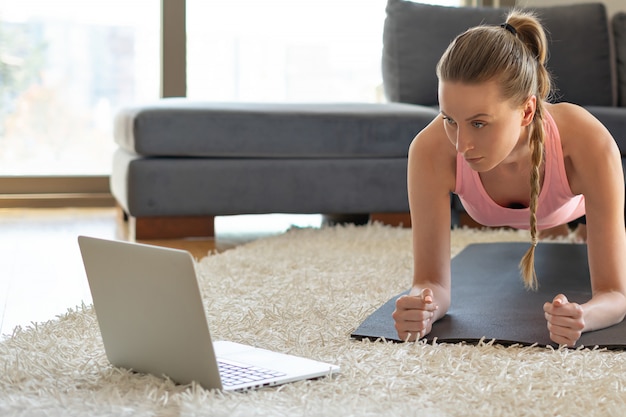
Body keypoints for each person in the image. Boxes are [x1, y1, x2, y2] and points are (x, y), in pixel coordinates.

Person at [392, 9, 626, 347]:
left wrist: (584, 316)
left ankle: (581, 229)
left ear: (527, 111)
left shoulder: (588, 143)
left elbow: (615, 294)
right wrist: (423, 306)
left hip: (580, 202)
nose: (460, 145)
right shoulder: (430, 151)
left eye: (479, 123)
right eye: (449, 118)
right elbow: (432, 283)